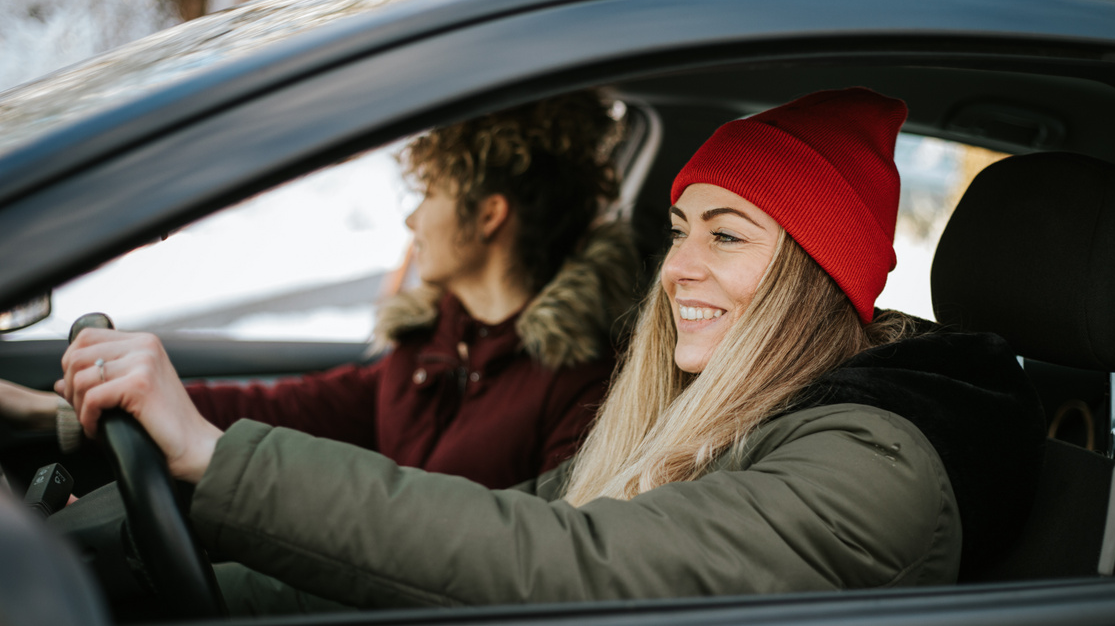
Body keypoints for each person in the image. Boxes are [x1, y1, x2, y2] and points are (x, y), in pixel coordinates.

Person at [57, 87, 1045, 611]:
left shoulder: (875, 465)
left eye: (727, 235)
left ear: (812, 278)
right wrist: (143, 563)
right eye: (680, 229)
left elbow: (572, 565)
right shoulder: (725, 416)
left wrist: (215, 460)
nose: (676, 270)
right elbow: (511, 518)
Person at [2, 90, 638, 490]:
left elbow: (538, 554)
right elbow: (287, 408)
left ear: (490, 215)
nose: (412, 221)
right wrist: (63, 414)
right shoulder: (436, 344)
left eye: (430, 195)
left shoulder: (582, 386)